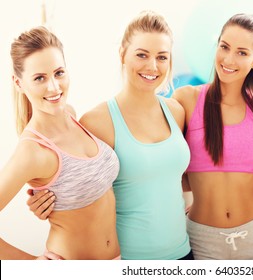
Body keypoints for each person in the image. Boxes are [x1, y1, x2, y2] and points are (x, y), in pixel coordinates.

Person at [28, 11, 193, 260]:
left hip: (182, 254)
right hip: (127, 260)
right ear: (122, 54)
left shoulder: (176, 111)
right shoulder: (97, 121)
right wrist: (47, 203)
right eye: (142, 54)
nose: (152, 66)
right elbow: (75, 185)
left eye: (162, 57)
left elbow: (175, 175)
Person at [0, 26, 120, 260]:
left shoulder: (72, 115)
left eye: (59, 73)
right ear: (18, 83)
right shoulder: (32, 151)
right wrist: (32, 265)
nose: (54, 87)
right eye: (39, 78)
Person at [172, 13, 253, 260]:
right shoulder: (186, 99)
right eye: (224, 47)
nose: (229, 59)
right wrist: (204, 191)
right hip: (202, 237)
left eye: (242, 52)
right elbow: (167, 164)